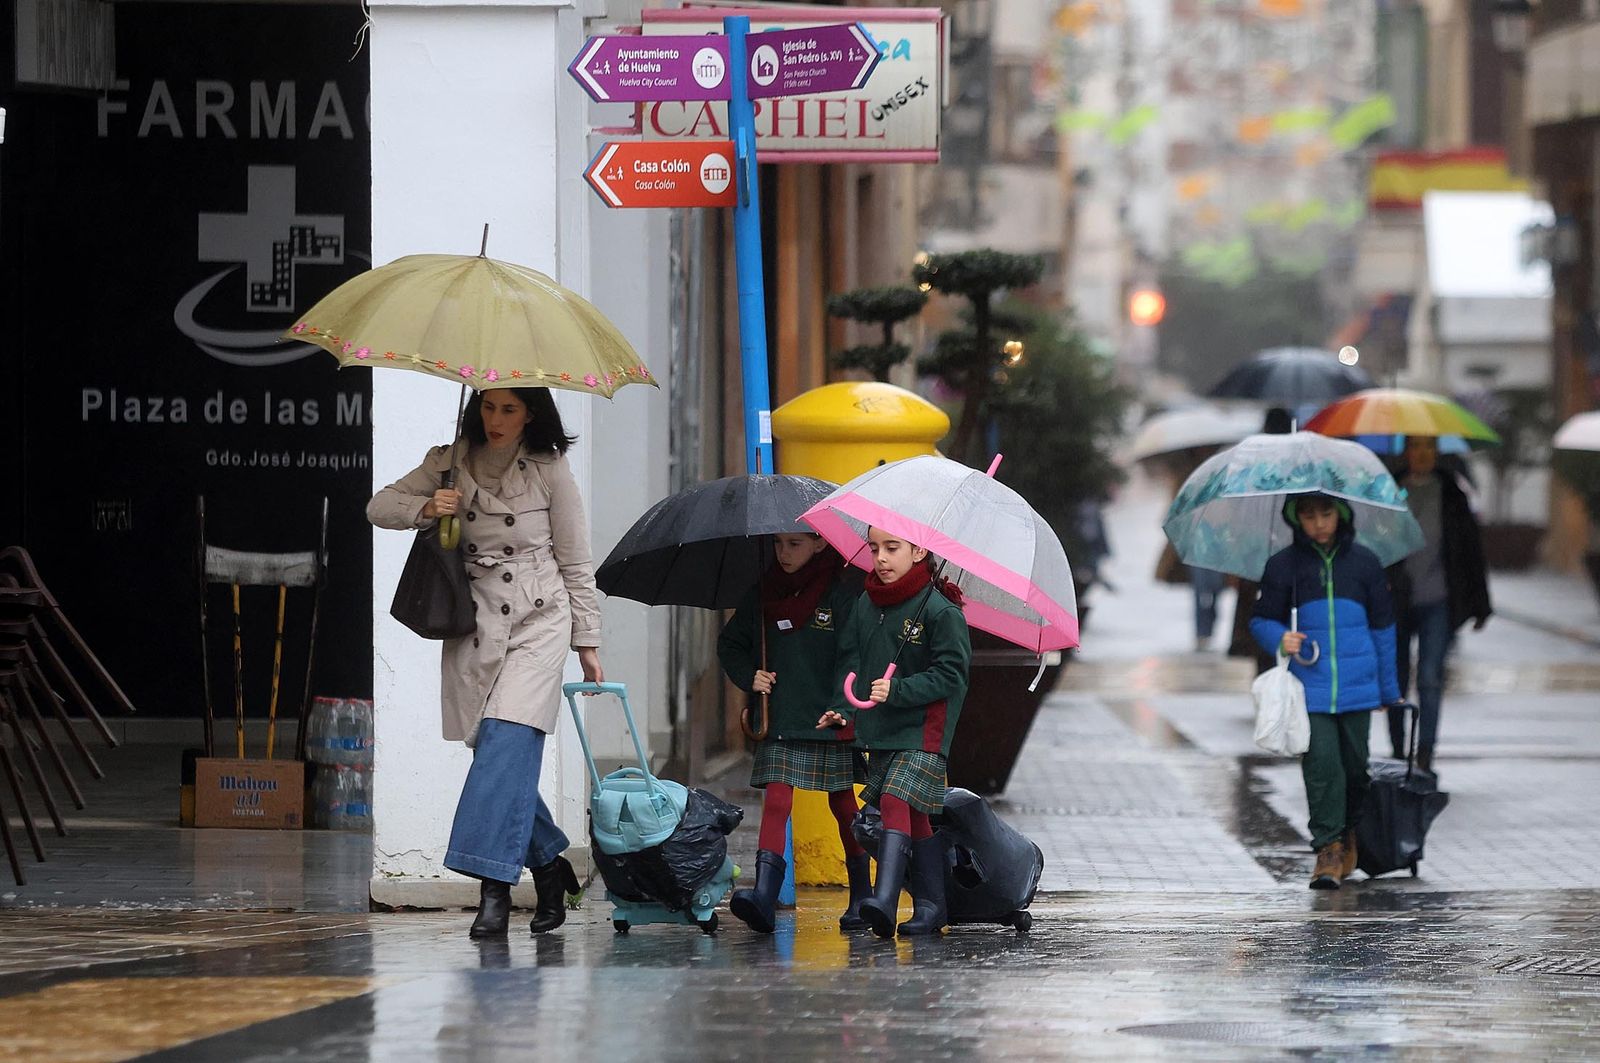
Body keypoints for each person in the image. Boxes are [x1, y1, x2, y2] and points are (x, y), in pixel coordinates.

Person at [367, 387, 604, 939]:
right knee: (500, 755)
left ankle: (492, 892)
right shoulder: (448, 461)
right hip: (475, 625)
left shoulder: (550, 469)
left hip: (539, 620)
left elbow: (575, 558)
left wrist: (586, 639)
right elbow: (377, 505)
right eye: (489, 407)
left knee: (506, 741)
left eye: (510, 409)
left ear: (531, 414)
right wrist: (426, 507)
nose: (496, 420)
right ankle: (549, 864)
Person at [818, 527, 971, 937]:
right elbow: (851, 660)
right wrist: (842, 707)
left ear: (919, 550)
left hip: (924, 732)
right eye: (874, 548)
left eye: (892, 548)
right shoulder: (866, 604)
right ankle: (931, 905)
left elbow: (952, 675)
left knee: (893, 798)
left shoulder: (940, 611)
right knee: (915, 816)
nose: (880, 558)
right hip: (882, 730)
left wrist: (900, 689)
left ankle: (884, 900)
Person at [1251, 493, 1401, 889]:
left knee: (1355, 768)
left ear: (1341, 514)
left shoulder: (1365, 563)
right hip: (1310, 688)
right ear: (1296, 519)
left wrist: (1389, 689)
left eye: (1326, 513)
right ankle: (1328, 847)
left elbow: (1384, 630)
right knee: (1322, 767)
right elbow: (1262, 620)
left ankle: (1349, 832)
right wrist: (1282, 638)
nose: (1318, 523)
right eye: (1309, 515)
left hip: (1358, 688)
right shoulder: (1284, 566)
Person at [717, 532, 864, 934]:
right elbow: (731, 644)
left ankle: (862, 894)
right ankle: (764, 894)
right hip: (783, 718)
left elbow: (853, 656)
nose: (784, 553)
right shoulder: (764, 593)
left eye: (795, 544)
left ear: (820, 543)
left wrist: (843, 705)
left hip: (828, 718)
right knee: (777, 801)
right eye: (779, 544)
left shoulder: (840, 594)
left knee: (843, 805)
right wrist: (751, 675)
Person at [1385, 435, 1491, 774]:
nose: (1422, 454)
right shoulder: (1389, 490)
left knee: (1430, 676)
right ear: (1406, 452)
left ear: (1437, 453)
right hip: (1397, 601)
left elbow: (1471, 551)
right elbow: (1374, 545)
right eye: (1415, 447)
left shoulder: (1452, 494)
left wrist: (1480, 604)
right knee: (1396, 679)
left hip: (1438, 600)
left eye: (1429, 447)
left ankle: (1426, 752)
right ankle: (1399, 751)